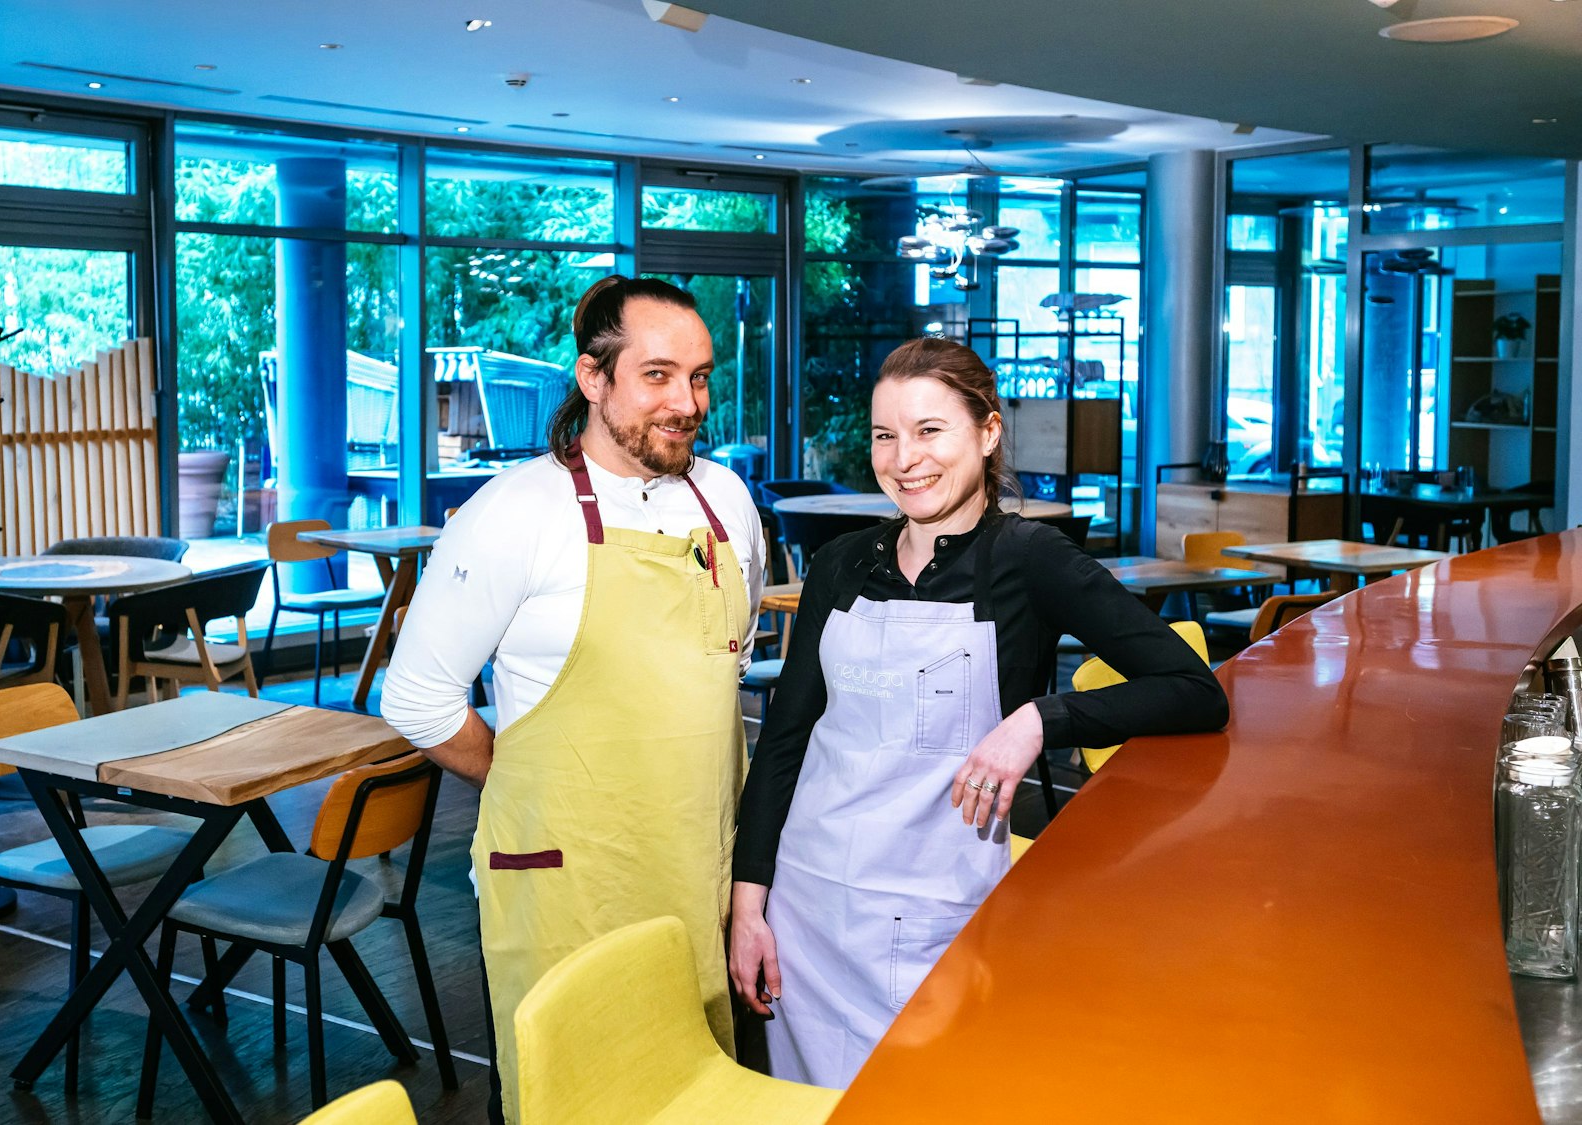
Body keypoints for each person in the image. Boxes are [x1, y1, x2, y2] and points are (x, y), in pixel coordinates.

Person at [727, 337, 1228, 1089]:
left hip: (936, 912)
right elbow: (785, 744)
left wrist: (1038, 720)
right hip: (807, 906)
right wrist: (748, 902)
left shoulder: (1031, 558)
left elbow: (1194, 690)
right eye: (885, 436)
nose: (904, 458)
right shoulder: (839, 564)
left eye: (930, 430)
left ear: (988, 432)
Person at [382, 275, 766, 1123]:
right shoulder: (513, 513)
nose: (688, 401)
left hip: (697, 864)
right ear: (593, 378)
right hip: (569, 881)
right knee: (572, 1093)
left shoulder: (729, 502)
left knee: (694, 1095)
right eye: (658, 376)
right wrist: (522, 777)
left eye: (700, 377)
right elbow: (413, 697)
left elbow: (727, 664)